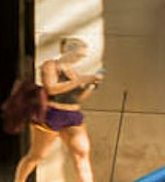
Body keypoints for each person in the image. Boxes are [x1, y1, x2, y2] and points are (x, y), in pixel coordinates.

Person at [12, 37, 104, 182]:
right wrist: (79, 81)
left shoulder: (73, 72)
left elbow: (78, 98)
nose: (79, 59)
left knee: (82, 154)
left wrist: (91, 85)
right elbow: (51, 89)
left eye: (82, 56)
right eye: (78, 55)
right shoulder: (50, 66)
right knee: (37, 155)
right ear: (68, 52)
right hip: (52, 114)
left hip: (73, 115)